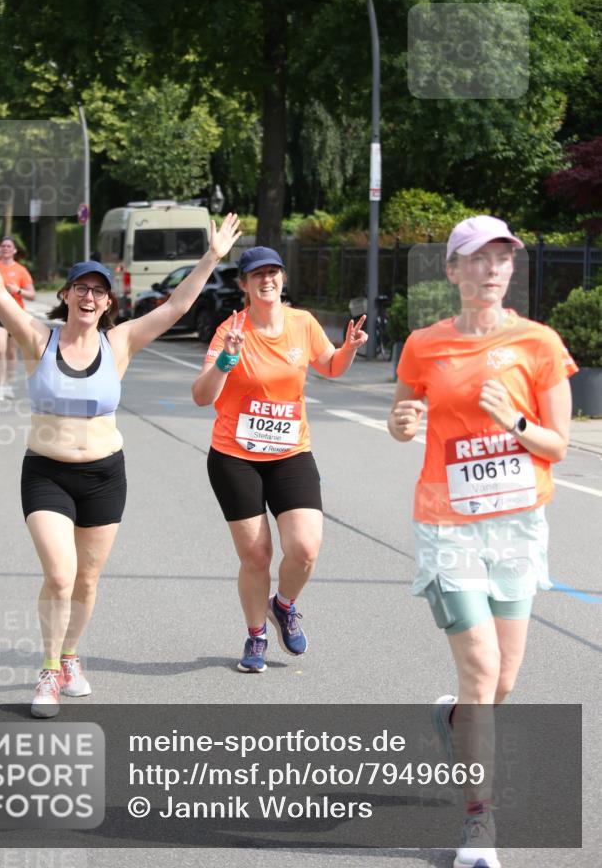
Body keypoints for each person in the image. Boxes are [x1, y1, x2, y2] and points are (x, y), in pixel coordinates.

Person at [0, 189, 240, 717]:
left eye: (98, 291)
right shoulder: (40, 338)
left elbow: (177, 305)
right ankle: (47, 672)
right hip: (47, 474)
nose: (89, 297)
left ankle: (70, 656)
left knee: (86, 579)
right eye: (81, 288)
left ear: (108, 302)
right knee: (60, 574)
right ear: (66, 295)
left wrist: (213, 255)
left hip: (106, 475)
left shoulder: (120, 343)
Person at [388, 216, 577, 868]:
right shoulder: (423, 346)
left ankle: (452, 725)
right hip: (446, 524)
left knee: (502, 679)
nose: (492, 269)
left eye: (502, 258)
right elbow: (401, 418)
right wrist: (400, 420)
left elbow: (558, 444)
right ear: (452, 271)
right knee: (478, 671)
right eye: (477, 259)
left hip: (517, 524)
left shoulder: (538, 342)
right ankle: (478, 822)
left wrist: (514, 421)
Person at [192, 246, 368, 673]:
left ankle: (284, 605)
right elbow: (202, 396)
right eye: (257, 275)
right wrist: (228, 359)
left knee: (305, 549)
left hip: (290, 453)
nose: (266, 280)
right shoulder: (230, 330)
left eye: (273, 272)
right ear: (244, 285)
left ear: (282, 279)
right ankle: (256, 636)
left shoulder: (302, 323)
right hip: (235, 457)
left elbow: (329, 366)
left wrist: (349, 347)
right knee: (256, 556)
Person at [0, 236, 35, 399]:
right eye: (3, 246)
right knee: (0, 350)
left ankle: (8, 384)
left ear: (14, 250)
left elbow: (32, 295)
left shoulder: (21, 270)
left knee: (12, 353)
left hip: (15, 314)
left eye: (9, 246)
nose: (6, 248)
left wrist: (17, 290)